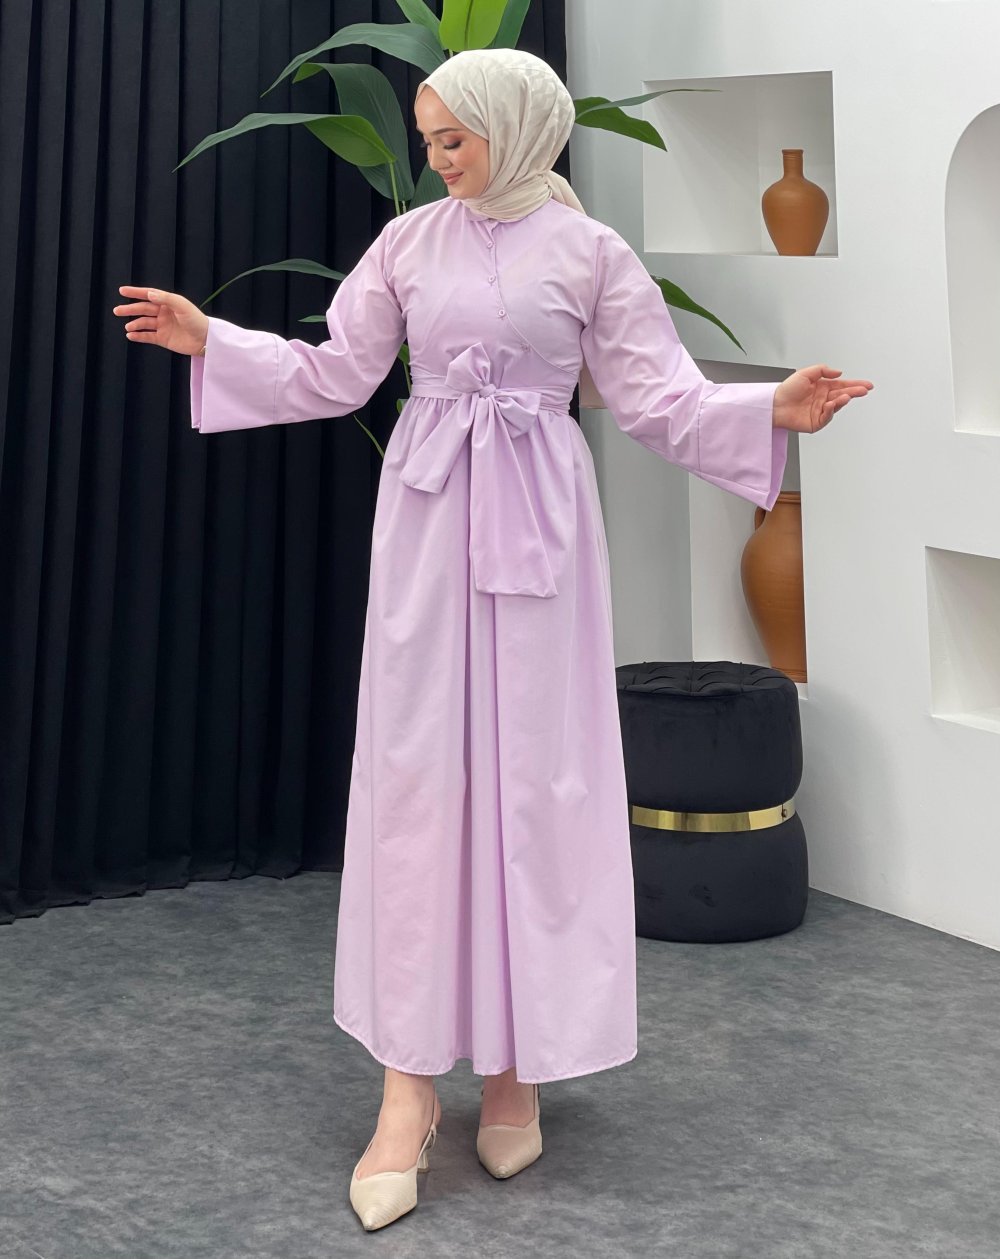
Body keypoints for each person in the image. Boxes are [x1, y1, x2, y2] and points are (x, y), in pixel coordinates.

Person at [113, 47, 873, 1233]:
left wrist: (770, 405)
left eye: (452, 139)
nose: (435, 160)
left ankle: (518, 1065)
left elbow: (657, 397)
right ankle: (406, 1091)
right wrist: (216, 339)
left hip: (541, 533)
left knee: (534, 783)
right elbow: (335, 372)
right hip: (427, 522)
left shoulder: (591, 253)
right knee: (419, 784)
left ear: (517, 130)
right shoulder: (408, 245)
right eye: (428, 140)